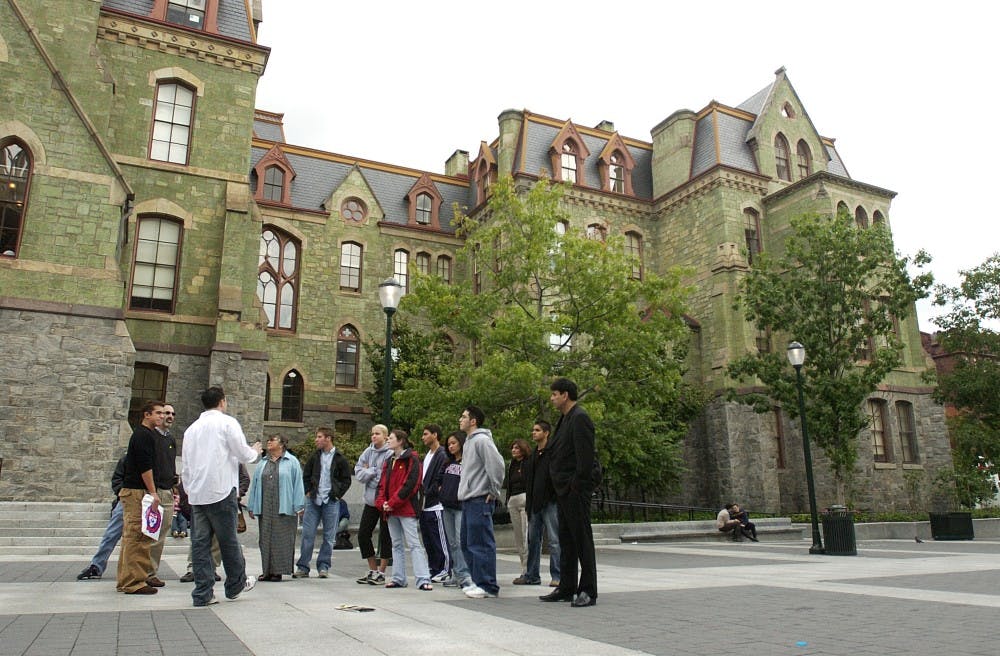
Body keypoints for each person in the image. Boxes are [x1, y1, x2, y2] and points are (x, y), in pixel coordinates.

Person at [181, 386, 262, 607]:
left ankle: (202, 592)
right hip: (221, 490)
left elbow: (186, 466)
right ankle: (235, 584)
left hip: (198, 493)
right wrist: (255, 450)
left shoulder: (191, 430)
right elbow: (243, 453)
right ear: (222, 402)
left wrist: (189, 490)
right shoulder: (227, 423)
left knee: (199, 544)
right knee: (228, 541)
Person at [540, 377, 598, 608]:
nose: (552, 398)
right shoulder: (564, 419)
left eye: (555, 394)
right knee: (566, 539)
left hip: (575, 490)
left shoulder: (580, 418)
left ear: (565, 395)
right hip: (562, 491)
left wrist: (576, 485)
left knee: (582, 539)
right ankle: (567, 586)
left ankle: (588, 590)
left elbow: (585, 458)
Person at [116, 400, 165, 595]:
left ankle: (126, 579)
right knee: (138, 536)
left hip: (137, 491)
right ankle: (134, 582)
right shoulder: (143, 435)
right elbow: (145, 467)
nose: (162, 416)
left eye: (163, 413)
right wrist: (153, 492)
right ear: (147, 414)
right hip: (137, 491)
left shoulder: (147, 435)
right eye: (158, 413)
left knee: (131, 538)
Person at [457, 405, 505, 599]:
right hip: (469, 499)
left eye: (463, 416)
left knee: (481, 543)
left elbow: (497, 465)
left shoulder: (482, 441)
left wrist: (493, 490)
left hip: (479, 498)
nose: (460, 419)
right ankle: (478, 581)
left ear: (473, 421)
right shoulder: (469, 442)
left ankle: (488, 585)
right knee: (467, 542)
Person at [377, 429, 432, 590]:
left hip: (406, 508)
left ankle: (423, 578)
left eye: (391, 438)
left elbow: (411, 485)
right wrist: (382, 503)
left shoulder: (412, 459)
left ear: (400, 441)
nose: (388, 440)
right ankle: (398, 577)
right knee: (396, 544)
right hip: (391, 509)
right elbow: (382, 484)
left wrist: (392, 502)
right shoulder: (389, 460)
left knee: (414, 543)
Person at [294, 427, 352, 578]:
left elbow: (346, 480)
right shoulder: (314, 457)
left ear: (328, 438)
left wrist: (337, 494)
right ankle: (303, 566)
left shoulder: (339, 458)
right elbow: (306, 475)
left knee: (329, 535)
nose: (316, 440)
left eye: (319, 437)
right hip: (314, 499)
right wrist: (308, 491)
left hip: (331, 500)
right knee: (308, 533)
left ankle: (324, 565)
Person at [248, 435, 306, 581]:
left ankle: (278, 571)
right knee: (265, 538)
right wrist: (251, 505)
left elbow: (298, 484)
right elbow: (255, 484)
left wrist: (299, 505)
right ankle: (266, 570)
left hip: (285, 506)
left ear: (281, 445)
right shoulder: (263, 462)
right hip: (266, 506)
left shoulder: (292, 462)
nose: (268, 442)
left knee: (282, 538)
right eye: (268, 440)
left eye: (272, 440)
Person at [519, 420, 560, 587]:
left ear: (546, 433)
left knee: (554, 540)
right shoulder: (534, 455)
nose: (533, 433)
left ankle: (557, 575)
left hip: (550, 502)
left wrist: (553, 496)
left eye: (537, 430)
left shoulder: (553, 452)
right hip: (535, 503)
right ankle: (532, 574)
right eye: (533, 430)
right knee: (532, 540)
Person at [76, 453, 127, 580]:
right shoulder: (126, 459)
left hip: (146, 500)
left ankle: (145, 569)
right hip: (126, 499)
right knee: (111, 534)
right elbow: (117, 480)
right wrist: (123, 492)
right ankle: (97, 565)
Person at [354, 424, 394, 585]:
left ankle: (382, 572)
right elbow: (359, 472)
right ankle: (372, 569)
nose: (374, 436)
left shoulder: (390, 454)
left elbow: (384, 477)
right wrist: (370, 471)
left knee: (385, 536)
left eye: (377, 434)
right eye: (372, 434)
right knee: (363, 534)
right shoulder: (368, 451)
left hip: (384, 500)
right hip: (370, 500)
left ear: (385, 436)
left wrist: (370, 471)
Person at [147, 403, 177, 588]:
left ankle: (151, 572)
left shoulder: (171, 439)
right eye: (165, 413)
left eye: (172, 414)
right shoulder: (150, 437)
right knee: (149, 534)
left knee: (161, 535)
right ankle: (143, 571)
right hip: (154, 491)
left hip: (167, 491)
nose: (169, 416)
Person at [439, 431, 471, 589]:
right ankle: (456, 573)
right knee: (452, 542)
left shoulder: (467, 461)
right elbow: (439, 478)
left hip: (460, 506)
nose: (451, 446)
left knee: (460, 541)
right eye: (449, 444)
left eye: (454, 443)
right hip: (447, 505)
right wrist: (441, 490)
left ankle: (465, 574)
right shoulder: (447, 462)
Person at [419, 424, 450, 583]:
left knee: (439, 538)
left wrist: (431, 491)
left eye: (426, 434)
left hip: (436, 503)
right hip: (425, 504)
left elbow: (440, 478)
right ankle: (434, 568)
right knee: (428, 539)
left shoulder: (442, 455)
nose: (423, 437)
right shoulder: (428, 455)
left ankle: (445, 569)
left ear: (435, 435)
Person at [506, 438, 531, 581]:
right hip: (513, 500)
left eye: (517, 448)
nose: (514, 450)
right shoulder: (512, 465)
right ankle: (523, 567)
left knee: (525, 534)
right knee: (518, 537)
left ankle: (527, 569)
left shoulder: (528, 463)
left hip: (524, 499)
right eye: (513, 448)